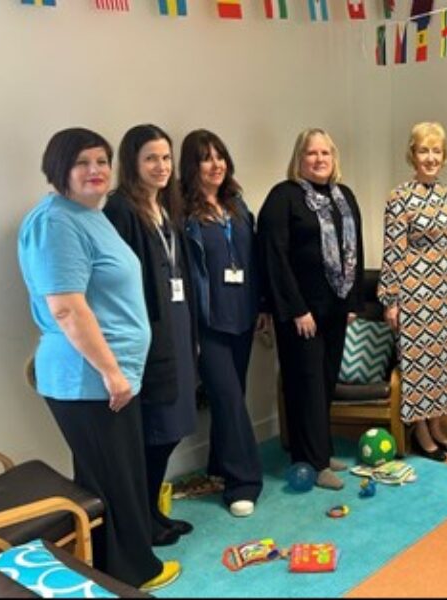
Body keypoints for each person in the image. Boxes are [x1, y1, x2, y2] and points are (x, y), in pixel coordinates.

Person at [17, 128, 180, 591]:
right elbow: (66, 307)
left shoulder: (91, 214)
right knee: (115, 480)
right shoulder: (55, 222)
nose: (95, 171)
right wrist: (111, 372)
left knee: (112, 474)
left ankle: (106, 563)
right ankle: (133, 574)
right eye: (82, 163)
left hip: (110, 374)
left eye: (102, 161)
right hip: (89, 377)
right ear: (59, 169)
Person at [104, 124, 197, 547]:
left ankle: (153, 511)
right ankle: (143, 518)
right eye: (150, 159)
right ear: (132, 164)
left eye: (165, 158)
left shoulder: (166, 207)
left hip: (176, 326)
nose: (161, 167)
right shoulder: (121, 210)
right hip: (149, 333)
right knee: (154, 429)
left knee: (173, 424)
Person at [258, 128, 364, 490]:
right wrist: (297, 309)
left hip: (336, 310)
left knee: (325, 383)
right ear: (298, 159)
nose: (319, 159)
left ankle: (320, 451)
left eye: (325, 153)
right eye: (311, 153)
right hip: (301, 314)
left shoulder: (343, 196)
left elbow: (355, 251)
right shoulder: (283, 197)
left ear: (334, 158)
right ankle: (313, 462)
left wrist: (351, 303)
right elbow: (274, 258)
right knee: (305, 385)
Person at [180, 129, 266, 517]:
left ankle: (217, 466)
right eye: (205, 158)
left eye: (220, 156)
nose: (215, 164)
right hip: (209, 323)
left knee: (229, 400)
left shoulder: (237, 205)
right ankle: (242, 483)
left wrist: (262, 305)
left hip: (243, 316)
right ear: (191, 166)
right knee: (229, 400)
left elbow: (253, 258)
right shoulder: (184, 215)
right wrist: (189, 330)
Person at [378, 122, 447, 462]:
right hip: (415, 295)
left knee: (443, 363)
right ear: (412, 155)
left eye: (436, 151)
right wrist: (391, 300)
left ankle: (436, 426)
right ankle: (419, 430)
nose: (430, 158)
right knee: (419, 363)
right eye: (423, 151)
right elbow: (393, 250)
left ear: (444, 157)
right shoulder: (399, 197)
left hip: (446, 294)